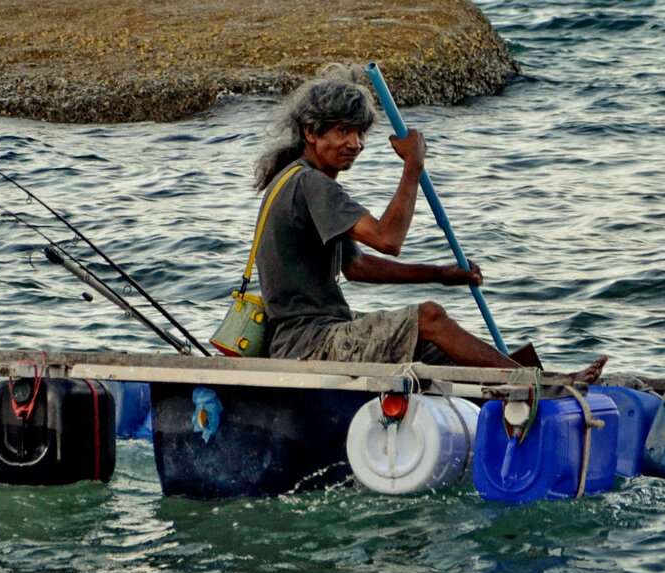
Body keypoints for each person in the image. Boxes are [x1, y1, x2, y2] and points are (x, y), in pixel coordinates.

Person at [253, 68, 606, 381]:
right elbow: (387, 239)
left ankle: (516, 385)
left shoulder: (293, 180)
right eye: (342, 131)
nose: (354, 144)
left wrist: (441, 274)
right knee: (429, 317)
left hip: (310, 339)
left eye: (360, 133)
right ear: (310, 133)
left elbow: (357, 266)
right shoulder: (311, 184)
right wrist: (413, 164)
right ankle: (538, 385)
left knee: (441, 350)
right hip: (311, 345)